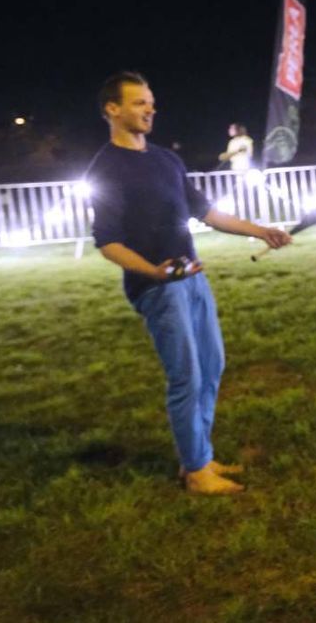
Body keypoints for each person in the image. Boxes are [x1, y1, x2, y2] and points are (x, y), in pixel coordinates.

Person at [86, 72, 291, 495]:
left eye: (151, 103)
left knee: (211, 366)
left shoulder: (166, 160)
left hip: (193, 277)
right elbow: (107, 242)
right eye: (140, 103)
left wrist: (260, 230)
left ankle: (199, 457)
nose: (150, 110)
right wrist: (153, 272)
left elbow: (206, 213)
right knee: (187, 376)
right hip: (157, 287)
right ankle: (197, 471)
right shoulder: (107, 168)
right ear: (112, 109)